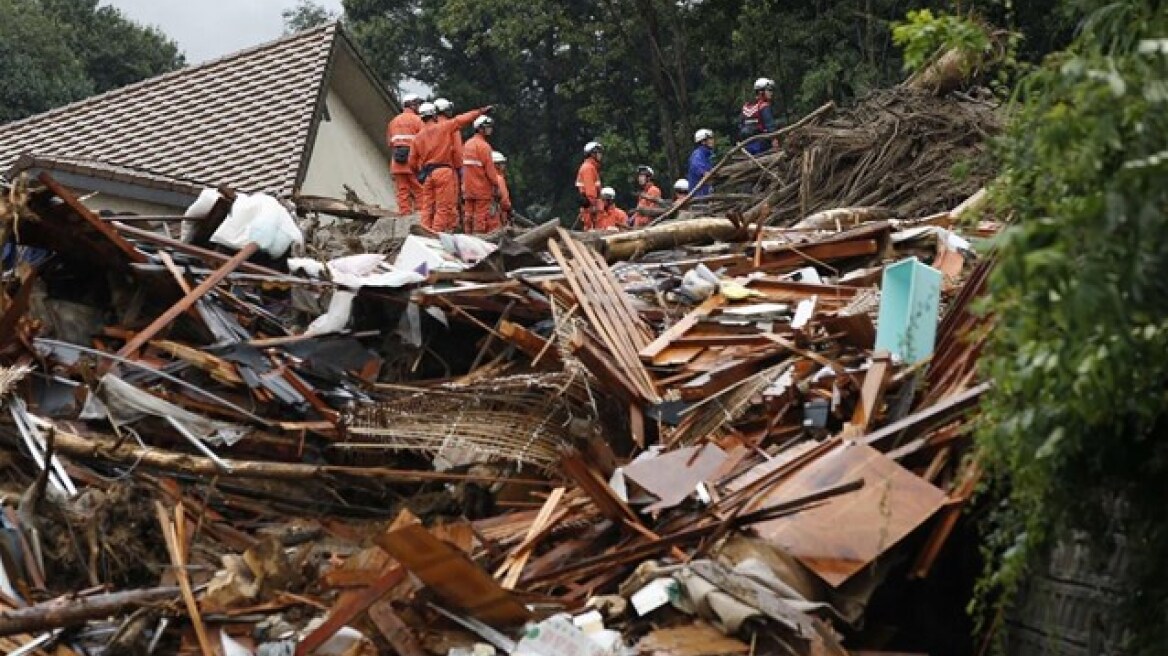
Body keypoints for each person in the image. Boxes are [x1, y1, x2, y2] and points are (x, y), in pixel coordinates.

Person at [409, 103, 494, 233]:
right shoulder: (443, 127)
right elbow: (462, 119)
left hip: (427, 175)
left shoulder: (417, 138)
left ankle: (424, 233)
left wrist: (419, 173)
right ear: (434, 115)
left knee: (427, 208)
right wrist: (480, 111)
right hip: (443, 172)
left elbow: (411, 162)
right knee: (444, 208)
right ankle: (435, 234)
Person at [461, 116, 502, 234]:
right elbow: (490, 170)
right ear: (480, 129)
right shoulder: (484, 147)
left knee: (468, 214)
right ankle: (478, 237)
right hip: (481, 188)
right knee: (480, 215)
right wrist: (496, 185)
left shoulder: (467, 144)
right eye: (487, 127)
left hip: (468, 187)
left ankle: (467, 235)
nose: (490, 129)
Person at [387, 93, 424, 215]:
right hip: (413, 161)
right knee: (419, 190)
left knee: (402, 191)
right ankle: (420, 216)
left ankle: (405, 216)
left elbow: (390, 142)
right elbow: (424, 142)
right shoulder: (418, 120)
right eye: (417, 104)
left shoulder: (394, 121)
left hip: (397, 162)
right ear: (412, 105)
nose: (419, 106)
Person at [740, 77, 778, 155]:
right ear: (761, 92)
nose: (771, 93)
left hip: (746, 145)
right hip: (762, 145)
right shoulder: (763, 106)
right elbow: (770, 126)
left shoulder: (745, 107)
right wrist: (774, 140)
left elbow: (741, 125)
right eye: (769, 90)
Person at [575, 141, 604, 230]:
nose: (600, 155)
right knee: (591, 232)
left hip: (590, 208)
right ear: (592, 154)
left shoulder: (591, 167)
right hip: (590, 210)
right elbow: (590, 192)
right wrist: (595, 207)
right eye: (599, 152)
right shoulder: (588, 168)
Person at [687, 129, 715, 198]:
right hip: (699, 195)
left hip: (705, 193)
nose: (713, 141)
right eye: (710, 139)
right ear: (703, 142)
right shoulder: (698, 155)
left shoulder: (707, 156)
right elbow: (704, 173)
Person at [492, 151, 512, 226]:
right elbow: (505, 202)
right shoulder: (499, 179)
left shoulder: (485, 178)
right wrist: (509, 208)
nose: (504, 166)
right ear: (497, 165)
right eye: (502, 163)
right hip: (497, 217)